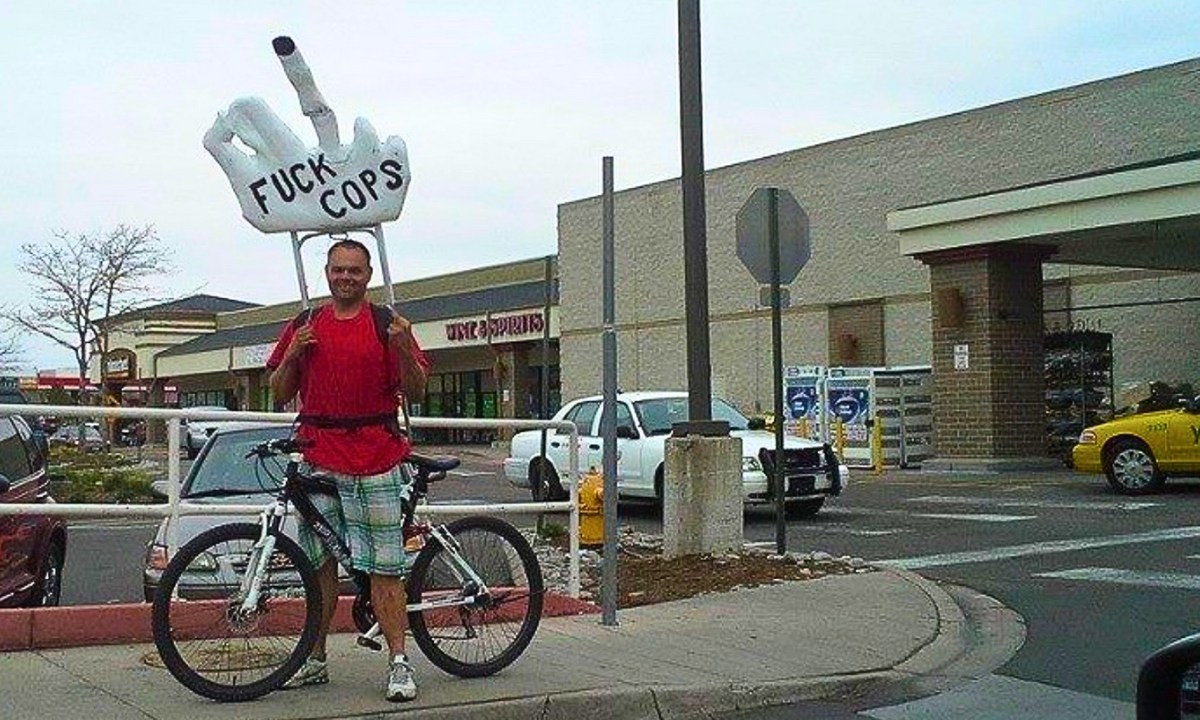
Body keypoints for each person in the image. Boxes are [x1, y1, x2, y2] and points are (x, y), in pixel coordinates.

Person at [265, 238, 429, 702]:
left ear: (368, 274)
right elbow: (279, 393)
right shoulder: (304, 324)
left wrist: (401, 349)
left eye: (354, 270)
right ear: (327, 273)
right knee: (318, 565)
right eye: (338, 270)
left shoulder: (387, 324)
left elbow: (416, 390)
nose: (345, 278)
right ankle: (315, 660)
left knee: (385, 567)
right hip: (318, 456)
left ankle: (398, 661)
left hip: (375, 456)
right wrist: (294, 352)